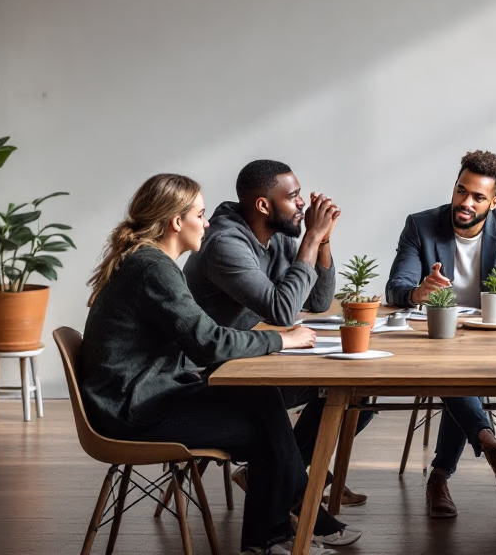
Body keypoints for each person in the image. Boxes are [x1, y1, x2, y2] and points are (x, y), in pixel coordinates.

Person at [79, 173, 360, 555]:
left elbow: (204, 339)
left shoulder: (147, 263)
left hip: (145, 396)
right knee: (267, 426)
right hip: (134, 411)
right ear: (177, 222)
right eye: (201, 213)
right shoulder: (152, 268)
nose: (207, 222)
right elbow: (209, 343)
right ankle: (280, 530)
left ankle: (277, 531)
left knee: (264, 402)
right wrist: (282, 338)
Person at [185, 159, 371, 505]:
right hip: (214, 374)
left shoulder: (277, 234)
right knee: (341, 390)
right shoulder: (226, 243)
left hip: (254, 358)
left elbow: (317, 301)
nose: (302, 204)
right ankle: (289, 482)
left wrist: (323, 241)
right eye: (294, 197)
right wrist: (311, 237)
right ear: (263, 205)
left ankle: (276, 476)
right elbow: (284, 311)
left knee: (361, 392)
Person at [384, 150, 496, 519]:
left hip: (486, 340)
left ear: (494, 202)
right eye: (461, 191)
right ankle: (486, 448)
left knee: (462, 376)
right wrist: (418, 291)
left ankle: (441, 476)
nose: (465, 202)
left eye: (478, 197)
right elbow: (396, 286)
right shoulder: (421, 225)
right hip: (434, 339)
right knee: (457, 374)